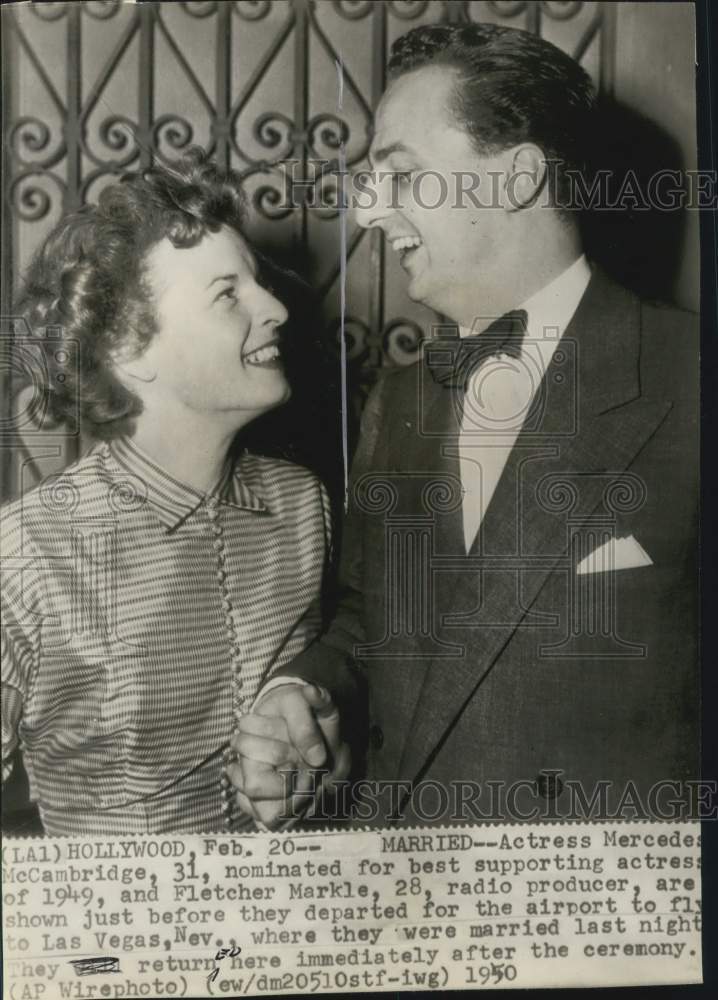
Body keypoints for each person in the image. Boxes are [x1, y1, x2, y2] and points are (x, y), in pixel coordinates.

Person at [232, 23, 699, 826]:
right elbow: (371, 623)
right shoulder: (400, 402)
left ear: (516, 177)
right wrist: (305, 690)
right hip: (407, 910)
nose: (370, 211)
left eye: (401, 176)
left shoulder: (690, 378)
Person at [0, 150, 348, 835]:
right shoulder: (29, 550)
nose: (275, 307)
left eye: (260, 283)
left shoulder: (303, 506)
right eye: (229, 293)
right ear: (131, 351)